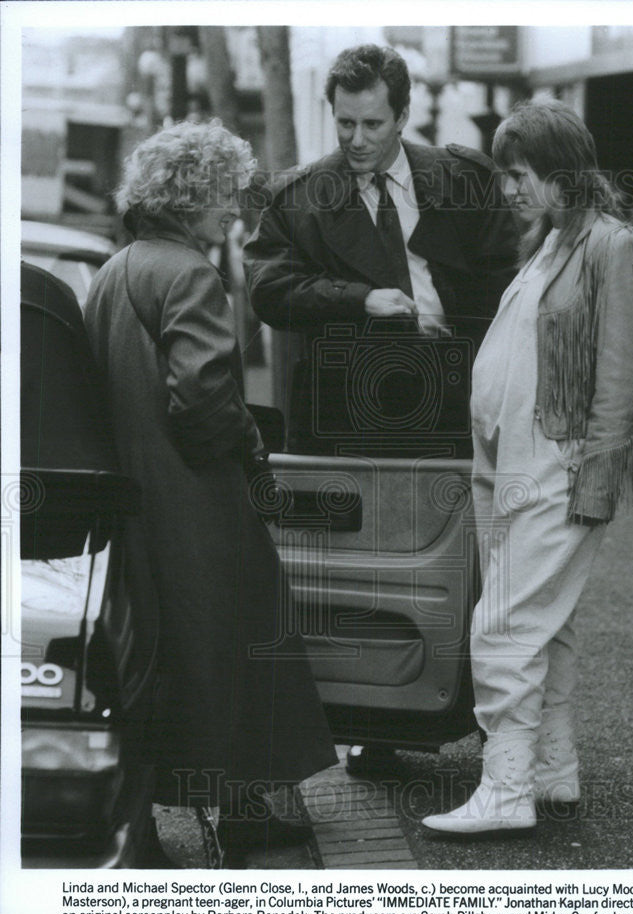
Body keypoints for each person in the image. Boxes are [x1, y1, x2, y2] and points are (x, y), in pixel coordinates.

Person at [244, 43, 518, 776]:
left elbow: (505, 271)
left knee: (479, 563)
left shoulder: (459, 178)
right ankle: (380, 723)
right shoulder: (299, 195)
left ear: (402, 113)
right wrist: (360, 300)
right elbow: (267, 289)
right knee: (371, 573)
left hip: (453, 395)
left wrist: (470, 342)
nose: (357, 140)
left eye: (372, 124)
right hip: (347, 409)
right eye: (344, 125)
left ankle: (501, 729)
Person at [83, 120, 338, 866]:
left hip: (135, 502)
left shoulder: (117, 267)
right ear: (192, 195)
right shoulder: (190, 274)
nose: (236, 210)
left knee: (162, 664)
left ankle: (152, 827)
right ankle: (243, 813)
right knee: (234, 653)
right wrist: (243, 455)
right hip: (195, 497)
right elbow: (201, 398)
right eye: (226, 194)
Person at [421, 100, 633, 836]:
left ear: (560, 171)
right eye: (504, 173)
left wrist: (593, 479)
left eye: (519, 173)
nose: (508, 188)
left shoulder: (612, 245)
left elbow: (626, 373)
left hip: (555, 465)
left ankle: (506, 790)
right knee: (545, 627)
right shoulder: (556, 241)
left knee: (503, 626)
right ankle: (553, 774)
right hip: (511, 462)